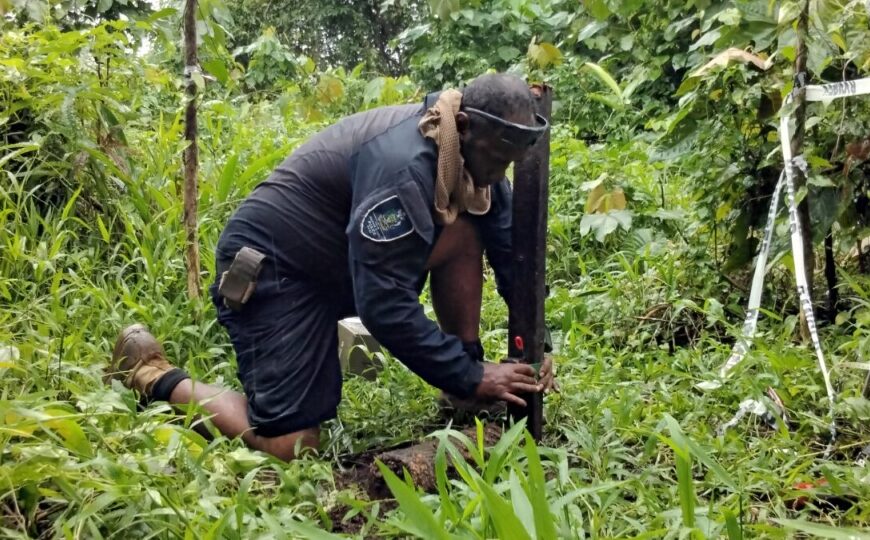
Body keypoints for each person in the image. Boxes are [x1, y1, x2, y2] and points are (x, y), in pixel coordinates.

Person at [106, 73, 556, 461]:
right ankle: (151, 375)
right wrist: (475, 376)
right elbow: (384, 307)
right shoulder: (403, 171)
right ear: (464, 124)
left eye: (510, 163)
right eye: (497, 160)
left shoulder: (466, 155)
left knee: (469, 227)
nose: (500, 173)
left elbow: (509, 250)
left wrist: (540, 344)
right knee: (292, 443)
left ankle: (461, 390)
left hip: (338, 258)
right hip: (277, 272)